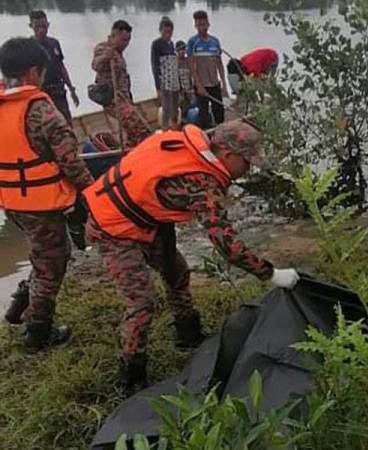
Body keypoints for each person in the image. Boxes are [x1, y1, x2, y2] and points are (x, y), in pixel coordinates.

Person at [83, 119, 300, 395]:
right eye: (246, 162)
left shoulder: (188, 147)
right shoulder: (202, 184)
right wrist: (271, 274)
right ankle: (130, 376)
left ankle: (188, 333)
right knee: (142, 301)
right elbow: (227, 245)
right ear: (227, 155)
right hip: (111, 226)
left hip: (143, 217)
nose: (247, 170)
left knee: (177, 271)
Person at [0, 38, 94, 350]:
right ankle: (37, 333)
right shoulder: (42, 112)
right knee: (53, 261)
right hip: (40, 202)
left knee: (44, 254)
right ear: (33, 72)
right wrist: (93, 195)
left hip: (11, 202)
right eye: (41, 73)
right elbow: (72, 162)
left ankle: (18, 305)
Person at [92, 20, 151, 148]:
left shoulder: (119, 54)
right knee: (138, 126)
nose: (126, 44)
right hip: (113, 99)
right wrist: (105, 57)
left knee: (134, 131)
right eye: (124, 40)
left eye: (128, 41)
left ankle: (132, 149)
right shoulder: (103, 48)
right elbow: (95, 65)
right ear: (115, 35)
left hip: (125, 98)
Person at [29, 9, 79, 124]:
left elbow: (61, 67)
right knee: (48, 123)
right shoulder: (29, 47)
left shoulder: (54, 43)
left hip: (58, 89)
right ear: (31, 26)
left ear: (48, 25)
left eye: (44, 26)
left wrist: (72, 89)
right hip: (41, 93)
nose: (41, 30)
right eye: (37, 27)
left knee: (66, 119)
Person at [187, 10, 228, 129]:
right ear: (195, 25)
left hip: (214, 83)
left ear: (208, 24)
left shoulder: (215, 42)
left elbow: (219, 64)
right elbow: (191, 65)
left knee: (219, 114)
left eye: (203, 24)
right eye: (198, 24)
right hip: (201, 86)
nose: (201, 27)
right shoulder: (193, 42)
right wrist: (199, 85)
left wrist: (224, 84)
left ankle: (220, 136)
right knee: (204, 117)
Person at [151, 16, 179, 130]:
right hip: (164, 81)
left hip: (174, 80)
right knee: (166, 107)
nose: (168, 34)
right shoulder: (156, 44)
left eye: (170, 32)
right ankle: (165, 129)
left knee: (175, 107)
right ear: (160, 30)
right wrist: (158, 87)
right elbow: (155, 65)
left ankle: (175, 127)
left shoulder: (171, 44)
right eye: (165, 31)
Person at [175, 40, 196, 118]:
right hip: (180, 92)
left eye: (184, 49)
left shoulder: (188, 60)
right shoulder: (175, 62)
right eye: (180, 50)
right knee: (183, 109)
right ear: (176, 51)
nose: (182, 51)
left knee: (193, 106)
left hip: (190, 89)